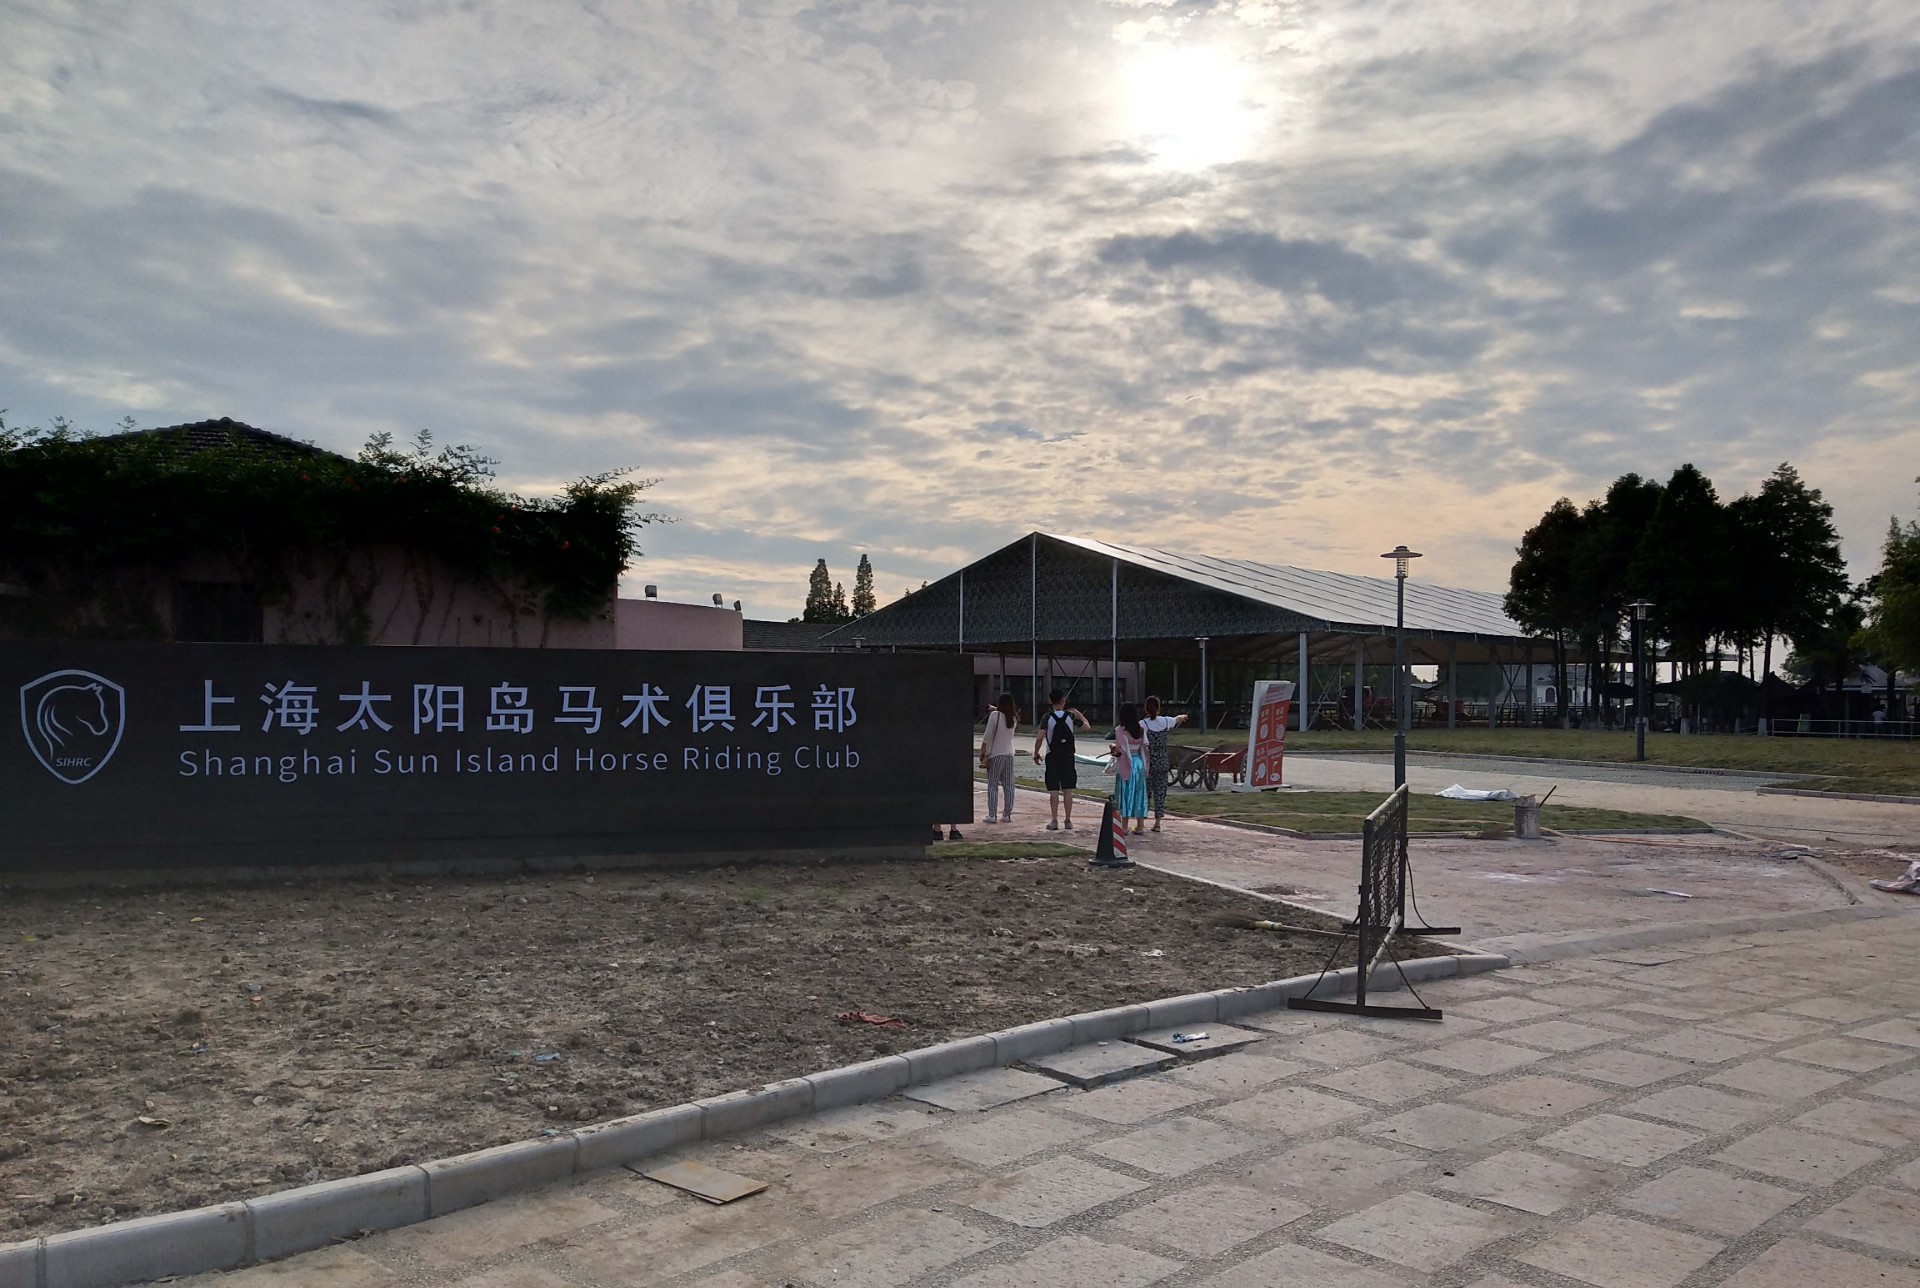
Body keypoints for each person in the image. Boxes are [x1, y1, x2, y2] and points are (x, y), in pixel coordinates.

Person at [1033, 689, 1089, 831]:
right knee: (1067, 789)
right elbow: (1087, 727)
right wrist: (1079, 714)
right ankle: (1068, 820)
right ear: (1064, 700)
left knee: (1053, 790)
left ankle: (1054, 820)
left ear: (1050, 701)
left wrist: (1036, 753)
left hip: (1052, 755)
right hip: (1068, 756)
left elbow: (1039, 737)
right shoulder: (1070, 716)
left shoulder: (1047, 717)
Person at [1139, 696, 1189, 832]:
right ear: (1159, 708)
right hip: (1163, 762)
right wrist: (1184, 716)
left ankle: (1141, 822)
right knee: (1160, 792)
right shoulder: (1166, 721)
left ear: (1146, 709)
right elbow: (1177, 719)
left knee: (1146, 792)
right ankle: (1157, 823)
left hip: (1148, 763)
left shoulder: (1143, 724)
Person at [979, 693, 1019, 823]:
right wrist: (995, 709)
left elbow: (987, 735)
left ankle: (992, 815)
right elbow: (1003, 715)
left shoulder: (994, 716)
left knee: (992, 785)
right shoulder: (1013, 718)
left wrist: (983, 750)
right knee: (1009, 786)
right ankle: (1007, 814)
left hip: (996, 754)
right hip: (1009, 754)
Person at [1110, 702, 1149, 835]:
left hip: (1126, 764)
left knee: (1125, 794)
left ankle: (1124, 826)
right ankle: (1140, 825)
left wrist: (1112, 748)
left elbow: (1119, 751)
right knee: (1139, 793)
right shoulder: (1141, 729)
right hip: (1139, 763)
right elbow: (1145, 748)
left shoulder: (1120, 730)